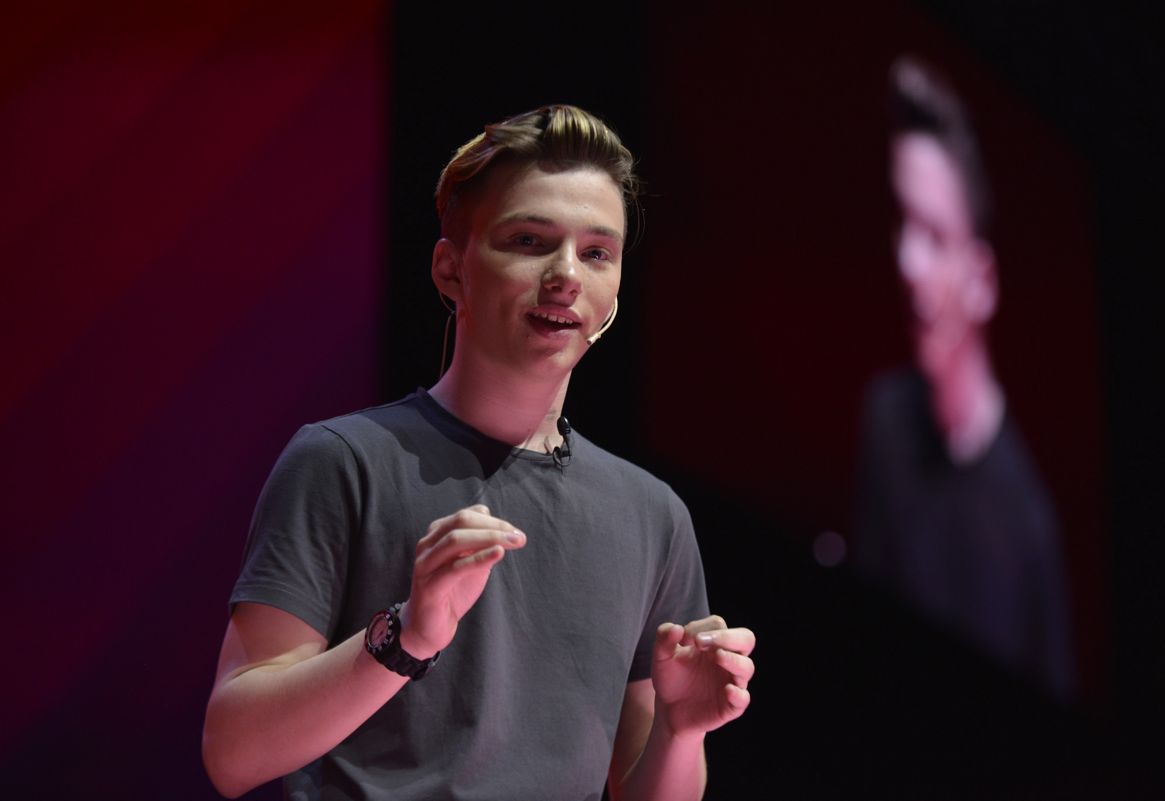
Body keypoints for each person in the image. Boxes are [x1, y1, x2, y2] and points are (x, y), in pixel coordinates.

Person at [202, 105, 756, 800]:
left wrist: (682, 729)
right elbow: (234, 752)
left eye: (596, 253)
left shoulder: (652, 515)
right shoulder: (342, 461)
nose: (566, 276)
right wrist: (409, 635)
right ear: (451, 269)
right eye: (529, 240)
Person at [851, 58, 1075, 702]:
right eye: (901, 225)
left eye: (934, 235)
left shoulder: (1029, 526)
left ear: (983, 280)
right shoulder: (886, 420)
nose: (906, 262)